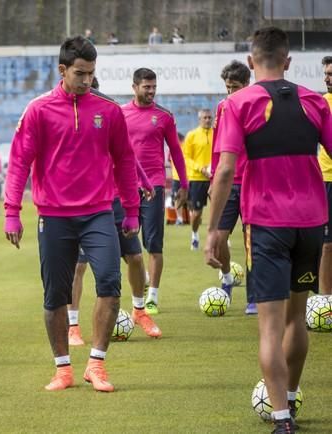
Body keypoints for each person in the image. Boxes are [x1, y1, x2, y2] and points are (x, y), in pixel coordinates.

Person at [205, 27, 332, 433]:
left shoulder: (237, 104)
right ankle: (290, 399)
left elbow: (225, 170)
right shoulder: (315, 102)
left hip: (267, 225)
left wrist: (213, 230)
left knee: (270, 325)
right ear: (289, 61)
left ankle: (281, 420)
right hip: (312, 223)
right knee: (297, 319)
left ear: (250, 61)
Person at [4, 36, 140, 392]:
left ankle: (97, 364)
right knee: (55, 296)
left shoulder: (108, 111)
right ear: (62, 70)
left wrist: (131, 211)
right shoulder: (38, 110)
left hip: (98, 214)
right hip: (54, 217)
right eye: (80, 73)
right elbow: (19, 162)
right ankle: (63, 369)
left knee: (110, 284)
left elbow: (125, 161)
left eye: (91, 74)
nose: (86, 80)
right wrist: (12, 213)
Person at [68, 76, 161, 345]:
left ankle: (140, 311)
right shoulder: (70, 121)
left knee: (134, 257)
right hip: (87, 203)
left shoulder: (107, 115)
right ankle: (73, 325)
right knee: (79, 266)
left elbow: (126, 154)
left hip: (117, 199)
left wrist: (143, 181)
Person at [122, 68, 189, 315]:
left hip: (156, 186)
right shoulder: (120, 114)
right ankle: (139, 286)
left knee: (154, 245)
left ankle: (152, 297)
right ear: (135, 87)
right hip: (126, 186)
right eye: (146, 87)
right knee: (128, 245)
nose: (151, 91)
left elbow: (176, 152)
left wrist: (184, 183)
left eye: (153, 87)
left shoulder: (163, 116)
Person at [210, 60, 255, 314]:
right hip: (227, 184)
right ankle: (227, 278)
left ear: (247, 84)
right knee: (218, 240)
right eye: (227, 87)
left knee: (252, 243)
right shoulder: (222, 107)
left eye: (235, 87)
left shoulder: (257, 106)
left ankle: (254, 297)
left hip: (251, 182)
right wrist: (213, 180)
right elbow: (217, 145)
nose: (230, 92)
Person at [183, 109, 214, 251]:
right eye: (205, 118)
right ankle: (194, 234)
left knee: (221, 210)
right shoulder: (192, 135)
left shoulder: (217, 134)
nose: (207, 120)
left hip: (215, 178)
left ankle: (221, 238)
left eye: (209, 117)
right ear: (199, 119)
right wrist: (201, 169)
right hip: (197, 179)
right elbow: (186, 158)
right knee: (197, 213)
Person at [319, 55, 332, 296]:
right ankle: (327, 300)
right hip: (326, 180)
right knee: (327, 245)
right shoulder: (321, 103)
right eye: (326, 73)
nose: (326, 77)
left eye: (331, 73)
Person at [170, 132, 188, 225]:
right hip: (177, 177)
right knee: (177, 198)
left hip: (183, 177)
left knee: (179, 198)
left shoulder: (185, 146)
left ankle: (182, 218)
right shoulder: (173, 148)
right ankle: (180, 218)